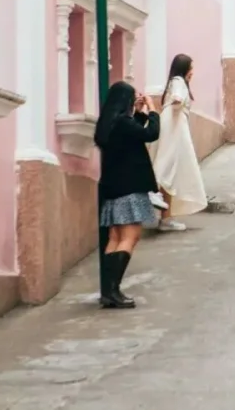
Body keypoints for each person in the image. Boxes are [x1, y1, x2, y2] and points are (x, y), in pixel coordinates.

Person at [94, 81, 160, 309]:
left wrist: (139, 114)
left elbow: (133, 135)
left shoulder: (108, 125)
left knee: (115, 238)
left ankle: (108, 291)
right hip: (130, 187)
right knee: (129, 237)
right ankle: (114, 291)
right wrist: (152, 111)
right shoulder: (123, 124)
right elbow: (150, 134)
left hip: (112, 188)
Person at [149, 54, 208, 232]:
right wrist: (177, 100)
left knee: (171, 170)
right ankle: (155, 193)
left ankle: (166, 218)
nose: (192, 72)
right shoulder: (178, 81)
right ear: (184, 69)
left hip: (173, 125)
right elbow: (177, 98)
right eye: (191, 68)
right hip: (175, 127)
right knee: (169, 164)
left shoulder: (174, 82)